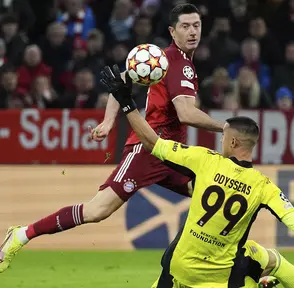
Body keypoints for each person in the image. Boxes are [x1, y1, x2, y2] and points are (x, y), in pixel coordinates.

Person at [100, 65, 294, 287]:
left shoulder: (203, 160)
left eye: (224, 137)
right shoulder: (263, 186)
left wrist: (127, 103)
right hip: (218, 280)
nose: (221, 142)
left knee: (185, 254)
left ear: (234, 143)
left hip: (179, 267)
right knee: (271, 259)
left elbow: (151, 143)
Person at [0, 4, 224, 273]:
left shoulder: (165, 60)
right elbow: (185, 112)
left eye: (196, 26)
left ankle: (199, 264)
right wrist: (226, 127)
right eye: (185, 26)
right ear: (172, 31)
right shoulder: (172, 62)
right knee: (97, 211)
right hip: (149, 149)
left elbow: (121, 79)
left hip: (170, 152)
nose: (192, 32)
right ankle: (22, 234)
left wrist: (108, 121)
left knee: (212, 195)